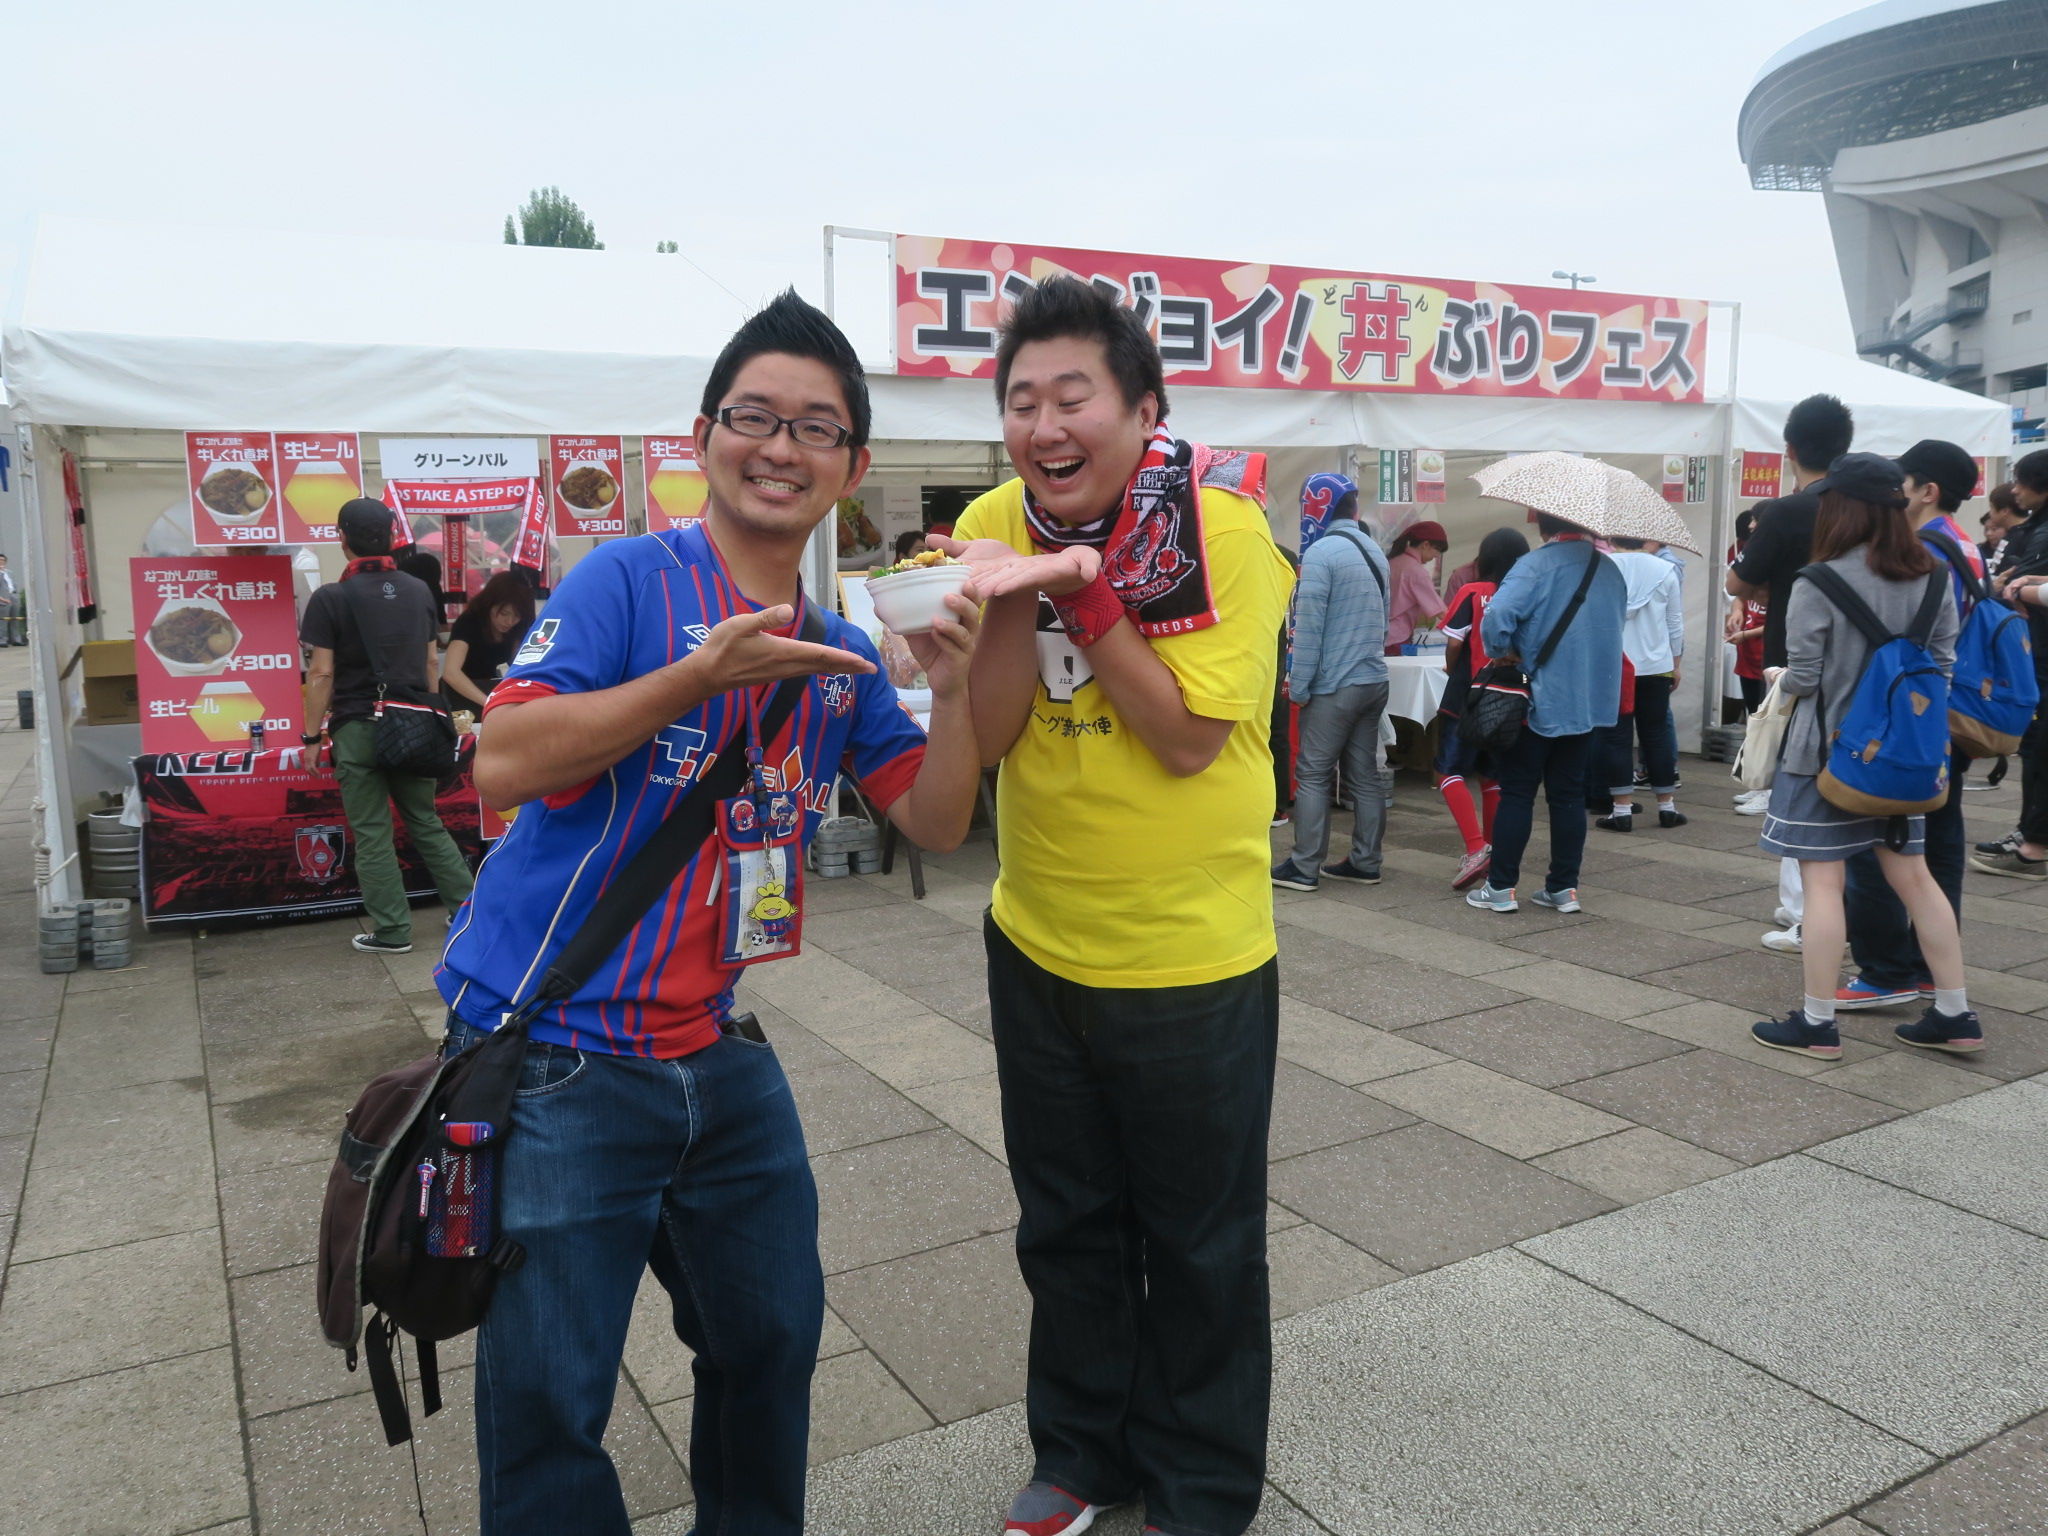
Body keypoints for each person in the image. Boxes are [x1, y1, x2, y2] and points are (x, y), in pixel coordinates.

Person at [441, 291, 984, 1535]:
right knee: (549, 1397)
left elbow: (935, 821)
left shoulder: (840, 650)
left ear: (851, 466)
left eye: (815, 427)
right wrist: (696, 677)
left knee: (771, 1339)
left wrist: (955, 692)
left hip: (716, 1052)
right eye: (754, 418)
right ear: (703, 438)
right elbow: (504, 762)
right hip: (560, 1054)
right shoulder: (630, 579)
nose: (780, 448)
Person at [937, 277, 1292, 1536]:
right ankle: (1083, 1452)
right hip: (1036, 938)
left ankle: (1200, 1482)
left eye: (1071, 396)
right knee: (1065, 1223)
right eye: (1020, 400)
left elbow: (1188, 740)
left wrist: (1078, 590)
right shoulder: (988, 523)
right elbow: (989, 735)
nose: (1043, 426)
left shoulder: (1224, 531)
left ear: (1144, 410)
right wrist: (968, 636)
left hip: (1193, 955)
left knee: (1200, 1240)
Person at [1750, 452, 1979, 1058]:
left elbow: (1805, 677)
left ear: (1839, 510)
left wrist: (1778, 677)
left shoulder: (1818, 581)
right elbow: (1942, 669)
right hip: (1905, 758)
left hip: (1827, 759)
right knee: (1917, 880)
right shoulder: (1933, 575)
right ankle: (1955, 1014)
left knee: (1824, 884)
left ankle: (1817, 1024)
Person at [1833, 439, 1984, 1007]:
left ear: (1928, 491)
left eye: (1904, 483)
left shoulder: (1923, 551)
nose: (1895, 494)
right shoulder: (1964, 544)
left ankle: (1885, 969)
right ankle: (1927, 965)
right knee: (1940, 839)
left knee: (1876, 837)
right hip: (1944, 715)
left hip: (1906, 719)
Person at [300, 499, 478, 955]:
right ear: (393, 536)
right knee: (426, 820)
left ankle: (393, 931)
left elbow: (321, 673)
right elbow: (431, 663)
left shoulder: (330, 598)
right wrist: (430, 713)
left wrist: (311, 736)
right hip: (414, 721)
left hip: (357, 727)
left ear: (341, 537)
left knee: (373, 832)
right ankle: (471, 915)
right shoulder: (418, 590)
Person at [1728, 394, 1856, 952]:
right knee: (1837, 783)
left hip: (1794, 663)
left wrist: (1764, 578)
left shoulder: (1786, 511)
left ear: (1790, 449)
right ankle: (1805, 904)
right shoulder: (1868, 510)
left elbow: (1738, 582)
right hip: (1858, 666)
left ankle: (1807, 912)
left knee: (1796, 783)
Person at [1466, 510, 1626, 915]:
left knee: (1518, 792)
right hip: (1588, 701)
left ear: (1542, 523)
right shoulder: (1609, 570)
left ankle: (1501, 888)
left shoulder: (1533, 565)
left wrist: (1503, 651)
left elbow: (1497, 616)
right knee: (1568, 794)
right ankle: (1563, 888)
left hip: (1537, 699)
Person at [1273, 481, 1389, 891]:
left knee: (1313, 774)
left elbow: (1307, 631)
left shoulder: (1321, 554)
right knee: (1365, 775)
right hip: (1373, 679)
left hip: (1335, 684)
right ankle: (1366, 862)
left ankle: (1304, 866)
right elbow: (1384, 619)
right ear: (1353, 509)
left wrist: (1298, 687)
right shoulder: (1375, 551)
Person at [1434, 527, 1528, 889]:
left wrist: (1449, 667)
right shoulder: (1524, 594)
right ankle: (1492, 850)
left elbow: (1454, 642)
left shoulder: (1472, 592)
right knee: (1492, 776)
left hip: (1467, 694)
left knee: (1447, 770)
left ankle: (1476, 847)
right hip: (1507, 695)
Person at [1974, 448, 2048, 880]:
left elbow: (2011, 583)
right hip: (2035, 649)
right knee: (2035, 746)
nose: (2015, 490)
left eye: (2022, 481)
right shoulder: (2035, 528)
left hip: (2041, 652)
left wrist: (2018, 587)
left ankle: (2034, 845)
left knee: (2040, 747)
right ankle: (2029, 835)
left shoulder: (2041, 531)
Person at [1594, 537, 1686, 831]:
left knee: (1617, 737)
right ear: (1644, 537)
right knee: (1656, 735)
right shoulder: (1664, 570)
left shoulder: (1602, 568)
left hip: (1615, 664)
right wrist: (1676, 663)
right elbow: (1675, 623)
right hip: (1657, 665)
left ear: (1612, 537)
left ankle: (1621, 811)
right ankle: (1667, 807)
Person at [440, 569, 536, 712]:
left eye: (517, 616)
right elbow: (451, 672)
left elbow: (519, 665)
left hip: (490, 690)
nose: (509, 621)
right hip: (461, 695)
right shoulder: (469, 622)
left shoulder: (518, 627)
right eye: (504, 613)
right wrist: (489, 702)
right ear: (489, 604)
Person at [1383, 521, 1448, 652]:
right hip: (1397, 637)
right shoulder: (1416, 571)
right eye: (1438, 550)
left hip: (1382, 634)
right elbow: (1440, 611)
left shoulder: (1392, 562)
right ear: (1425, 545)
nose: (1437, 556)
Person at [1981, 481, 2021, 577]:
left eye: (1991, 507)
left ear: (2005, 511)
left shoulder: (2023, 537)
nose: (1990, 513)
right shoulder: (2009, 536)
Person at [0, 554, 23, 646]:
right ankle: (2, 640)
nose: (1, 561)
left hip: (13, 596)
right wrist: (2, 599)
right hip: (3, 598)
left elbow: (14, 584)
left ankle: (16, 639)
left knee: (15, 619)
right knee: (3, 620)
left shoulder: (9, 572)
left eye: (3, 560)